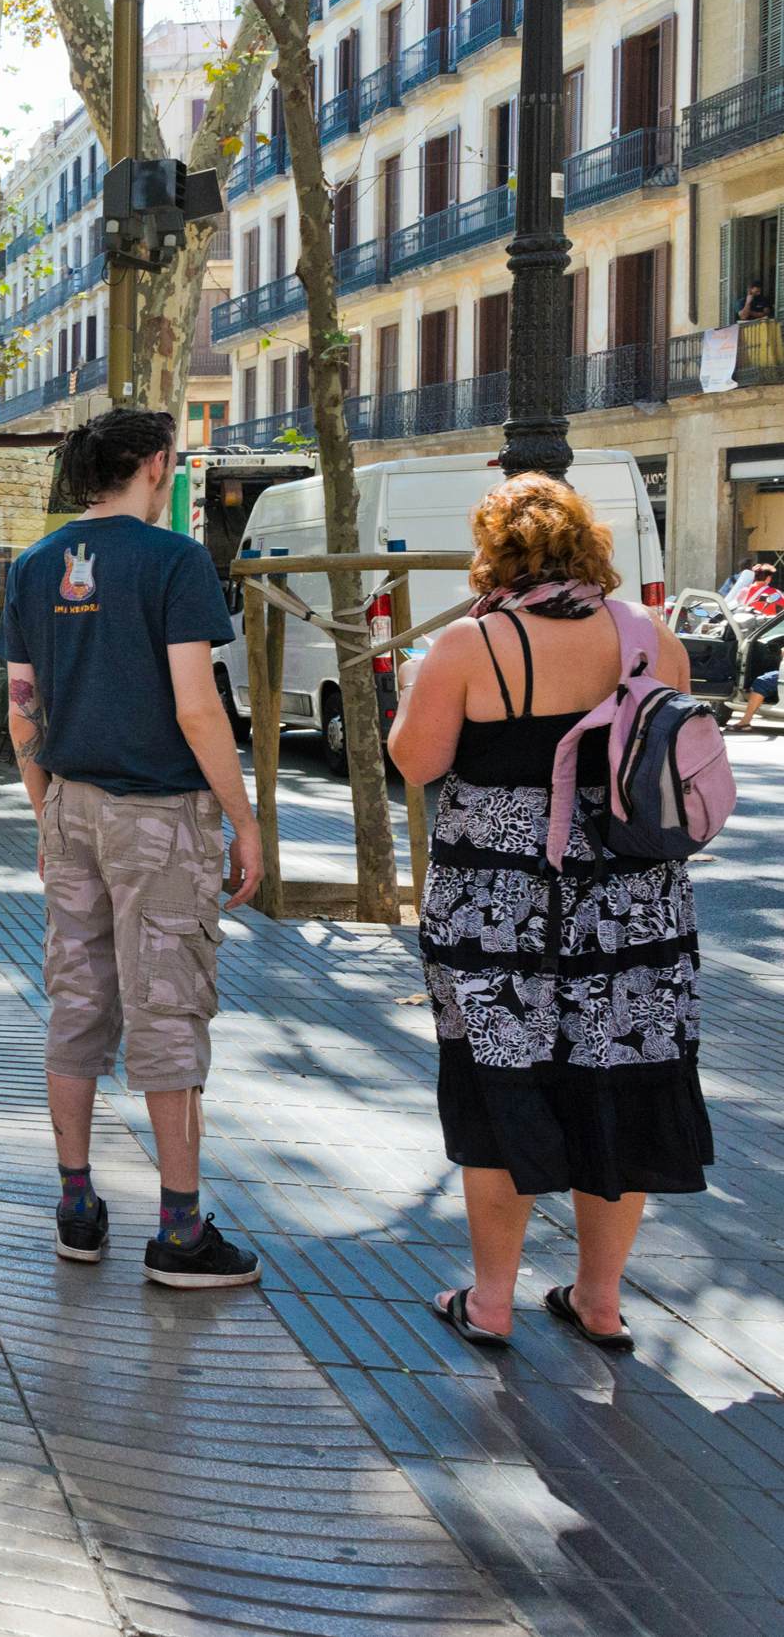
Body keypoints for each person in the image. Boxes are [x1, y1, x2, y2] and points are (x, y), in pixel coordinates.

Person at [389, 476, 708, 1351]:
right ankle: (599, 1302)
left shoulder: (469, 644)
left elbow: (415, 763)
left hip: (499, 912)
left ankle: (491, 1304)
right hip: (631, 908)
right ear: (589, 548)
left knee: (501, 1086)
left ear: (495, 553)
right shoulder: (653, 640)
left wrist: (416, 687)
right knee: (621, 1082)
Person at [2, 407, 264, 1289]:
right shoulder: (176, 561)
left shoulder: (38, 566)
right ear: (156, 465)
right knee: (168, 1009)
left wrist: (47, 812)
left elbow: (21, 708)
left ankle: (77, 1206)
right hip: (160, 816)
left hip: (70, 807)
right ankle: (181, 1233)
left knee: (77, 1006)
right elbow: (197, 707)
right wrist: (245, 816)